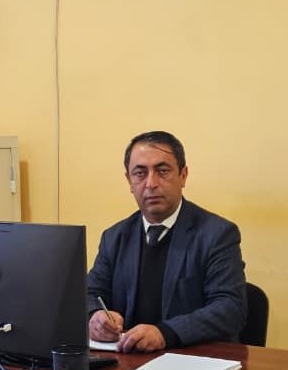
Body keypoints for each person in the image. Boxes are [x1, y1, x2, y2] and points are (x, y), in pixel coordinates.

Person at [88, 131, 247, 353]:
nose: (151, 183)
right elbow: (90, 293)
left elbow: (230, 308)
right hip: (128, 360)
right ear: (129, 181)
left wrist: (165, 333)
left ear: (183, 175)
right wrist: (95, 316)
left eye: (162, 171)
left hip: (194, 360)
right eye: (140, 173)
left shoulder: (217, 234)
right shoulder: (115, 237)